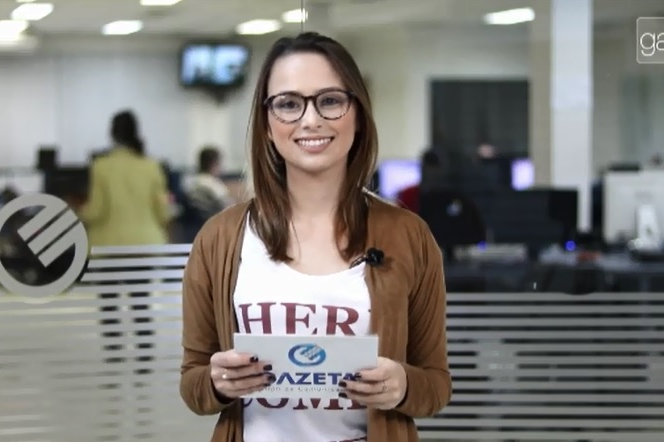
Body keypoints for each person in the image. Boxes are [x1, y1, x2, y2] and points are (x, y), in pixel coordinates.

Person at [179, 32, 451, 442]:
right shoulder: (220, 239)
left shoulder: (408, 235)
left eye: (330, 100)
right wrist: (217, 382)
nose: (310, 120)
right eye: (289, 104)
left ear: (358, 115)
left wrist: (404, 386)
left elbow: (436, 384)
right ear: (267, 124)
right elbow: (193, 384)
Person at [78, 110, 171, 373]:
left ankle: (115, 360)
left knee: (110, 307)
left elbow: (97, 210)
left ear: (112, 133)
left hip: (109, 247)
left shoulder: (101, 166)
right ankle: (143, 362)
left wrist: (79, 212)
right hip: (144, 245)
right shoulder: (151, 166)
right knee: (141, 304)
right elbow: (162, 212)